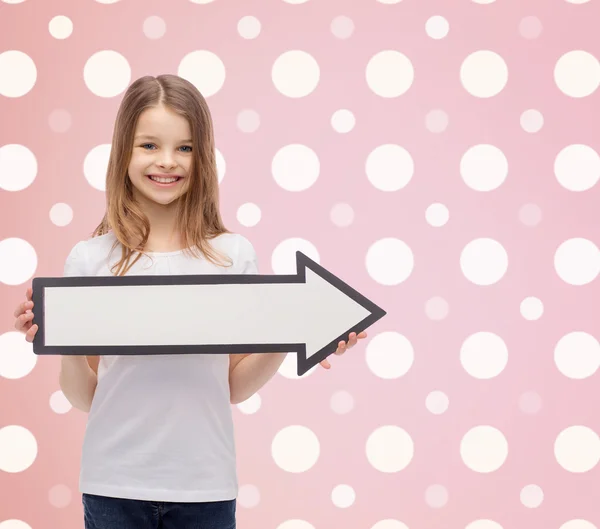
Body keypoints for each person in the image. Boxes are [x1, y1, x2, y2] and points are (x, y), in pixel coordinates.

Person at [12, 74, 367, 529]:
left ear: (204, 156)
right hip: (112, 484)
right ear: (123, 152)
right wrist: (57, 340)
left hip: (205, 486)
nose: (167, 162)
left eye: (185, 147)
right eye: (148, 146)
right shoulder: (90, 259)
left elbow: (233, 386)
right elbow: (84, 397)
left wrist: (290, 332)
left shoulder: (233, 256)